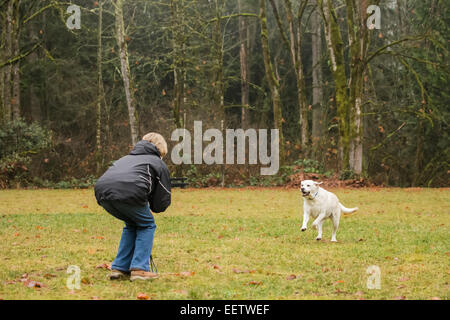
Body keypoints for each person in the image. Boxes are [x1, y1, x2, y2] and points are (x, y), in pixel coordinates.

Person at [94, 133, 171, 281]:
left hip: (102, 193)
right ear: (161, 149)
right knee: (147, 224)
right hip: (128, 193)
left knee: (131, 224)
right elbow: (162, 197)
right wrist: (155, 207)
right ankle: (140, 269)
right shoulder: (157, 162)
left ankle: (119, 268)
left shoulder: (126, 158)